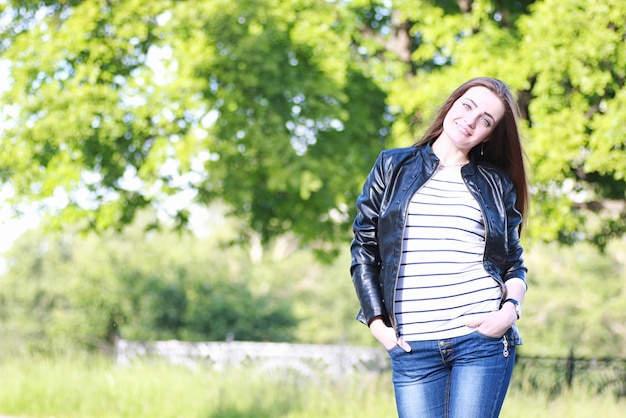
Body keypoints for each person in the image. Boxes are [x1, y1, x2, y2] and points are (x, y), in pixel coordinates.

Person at [350, 77, 528, 418]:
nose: (472, 120)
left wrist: (509, 311)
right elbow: (364, 250)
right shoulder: (392, 166)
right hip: (413, 346)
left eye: (486, 120)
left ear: (489, 135)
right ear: (452, 104)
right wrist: (377, 325)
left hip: (481, 343)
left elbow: (513, 264)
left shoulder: (496, 183)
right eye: (468, 106)